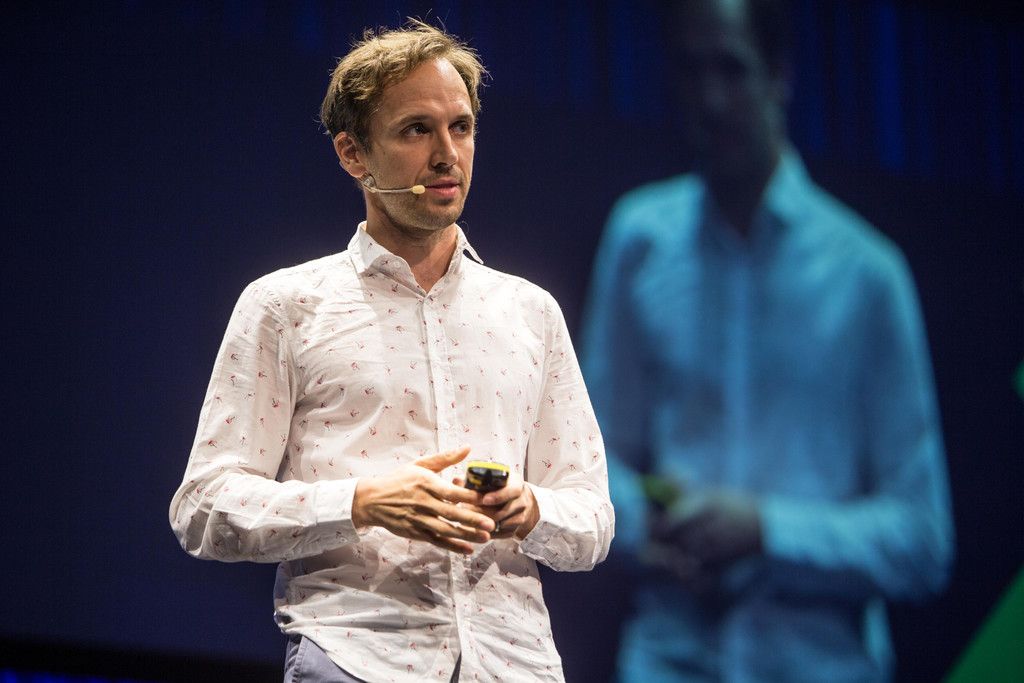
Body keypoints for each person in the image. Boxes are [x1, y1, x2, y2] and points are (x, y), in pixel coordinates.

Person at [169, 20, 613, 682]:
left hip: (514, 663)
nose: (447, 154)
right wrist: (362, 502)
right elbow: (204, 506)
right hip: (357, 657)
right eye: (416, 130)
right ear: (354, 154)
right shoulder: (287, 306)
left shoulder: (530, 312)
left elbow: (593, 518)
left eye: (461, 127)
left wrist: (529, 509)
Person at [581, 0, 953, 680]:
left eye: (731, 69)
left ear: (779, 75)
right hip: (670, 658)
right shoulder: (640, 241)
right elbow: (587, 466)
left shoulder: (866, 274)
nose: (711, 99)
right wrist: (644, 527)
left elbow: (922, 539)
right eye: (692, 72)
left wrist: (765, 532)